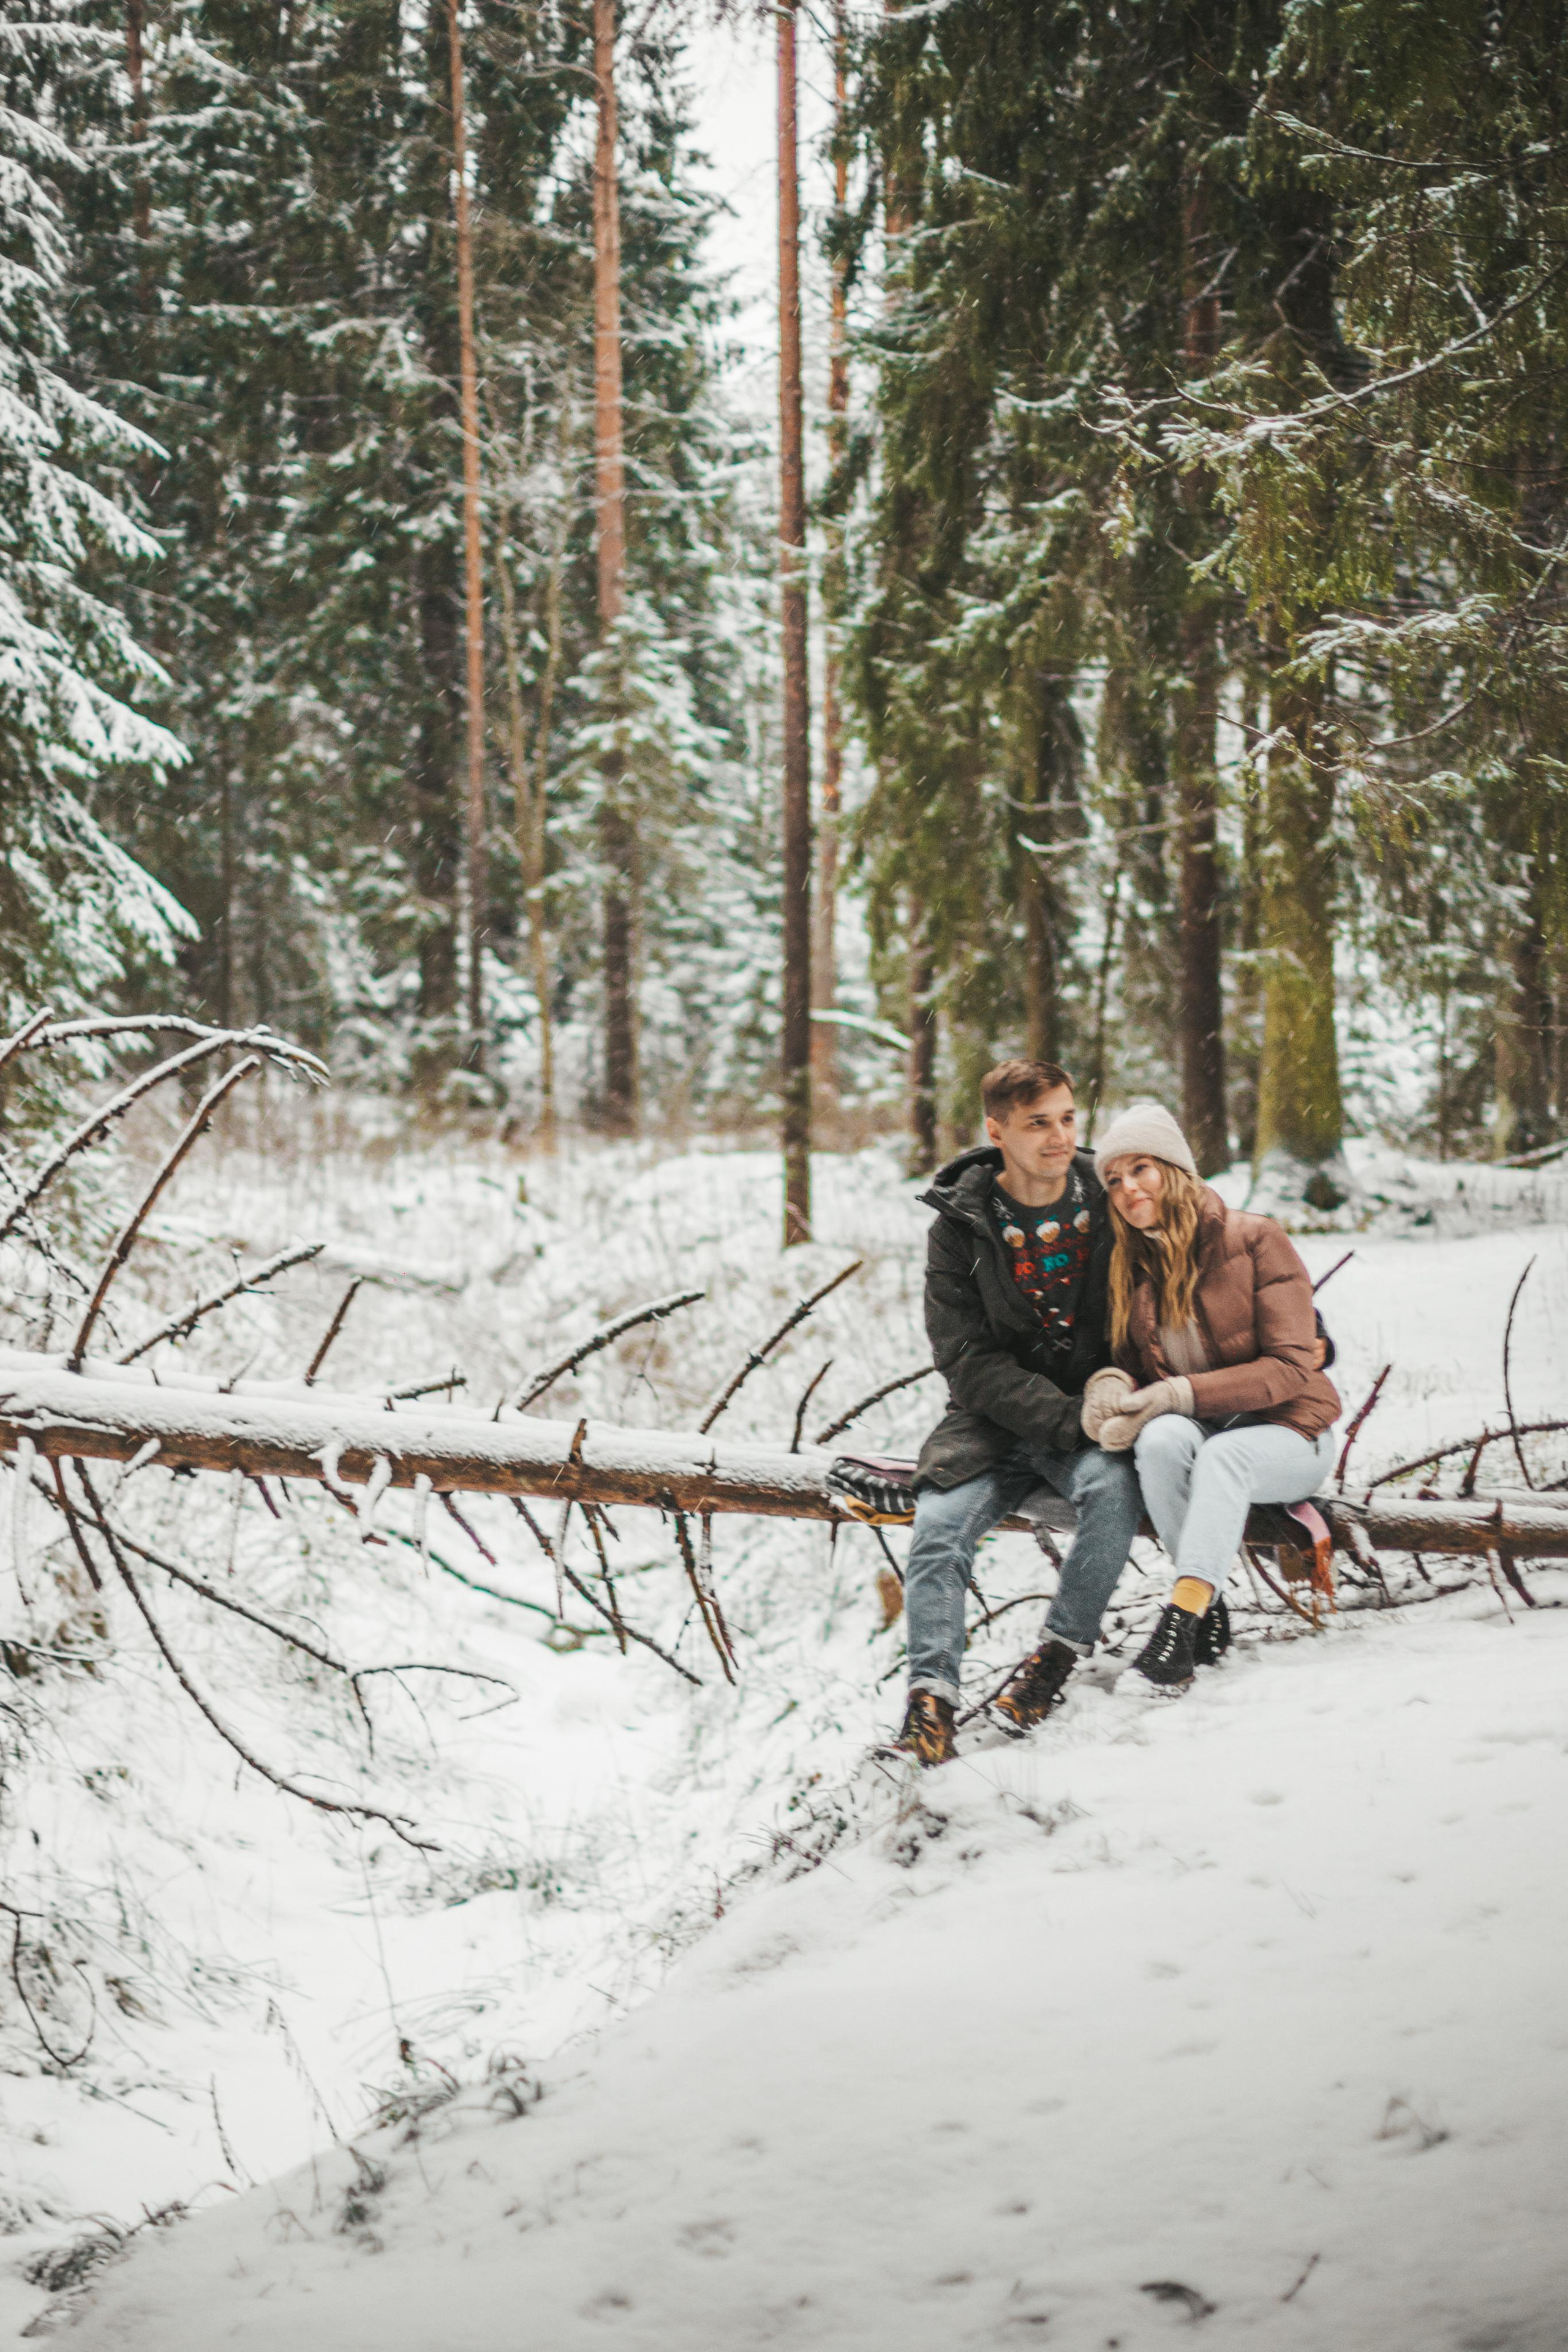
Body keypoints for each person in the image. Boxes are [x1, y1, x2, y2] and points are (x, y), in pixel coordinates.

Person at [891, 1059, 1145, 1766]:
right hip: (991, 1420)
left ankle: (1055, 1660)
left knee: (1113, 1491)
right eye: (1039, 1124)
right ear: (996, 1130)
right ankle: (930, 1703)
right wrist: (1066, 1421)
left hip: (1094, 1404)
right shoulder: (959, 1225)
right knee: (938, 1531)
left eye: (1067, 1119)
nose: (1060, 1137)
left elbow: (1194, 1255)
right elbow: (965, 1358)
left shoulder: (1110, 1195)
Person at [1084, 1102, 1341, 1691]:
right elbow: (1133, 1370)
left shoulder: (1255, 1239)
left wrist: (1177, 1392)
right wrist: (1115, 1389)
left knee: (1223, 1455)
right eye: (1115, 1181)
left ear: (1176, 1170)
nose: (1127, 1189)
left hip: (1292, 1433)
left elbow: (1291, 1366)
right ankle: (1209, 1613)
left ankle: (1180, 1622)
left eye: (1141, 1169)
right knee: (1162, 1439)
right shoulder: (1132, 1267)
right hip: (1206, 1431)